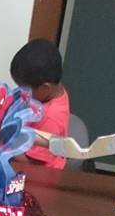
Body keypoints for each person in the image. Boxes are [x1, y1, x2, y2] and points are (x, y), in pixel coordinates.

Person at [10, 38, 71, 169]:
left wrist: (4, 143)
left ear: (45, 88)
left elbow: (31, 162)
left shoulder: (50, 118)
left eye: (24, 88)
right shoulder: (52, 93)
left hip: (40, 175)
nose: (21, 92)